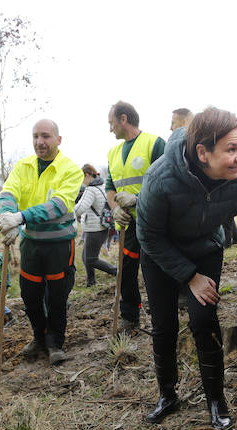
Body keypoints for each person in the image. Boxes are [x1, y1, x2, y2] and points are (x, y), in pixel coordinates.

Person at [137, 107, 237, 430]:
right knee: (164, 325)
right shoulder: (161, 178)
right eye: (232, 149)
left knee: (203, 320)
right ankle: (167, 395)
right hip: (160, 254)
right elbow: (148, 236)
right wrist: (189, 277)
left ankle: (215, 400)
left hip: (205, 249)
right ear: (202, 153)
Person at [0, 119, 83, 366]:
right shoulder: (23, 166)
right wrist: (6, 216)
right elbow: (8, 193)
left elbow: (58, 204)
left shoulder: (70, 169)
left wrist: (20, 217)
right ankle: (38, 336)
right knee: (30, 295)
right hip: (31, 245)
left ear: (58, 139)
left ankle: (55, 342)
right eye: (35, 136)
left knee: (57, 297)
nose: (39, 142)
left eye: (45, 136)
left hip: (59, 245)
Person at [106, 101, 166, 332]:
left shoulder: (155, 143)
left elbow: (167, 179)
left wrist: (140, 199)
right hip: (128, 225)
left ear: (123, 119)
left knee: (160, 268)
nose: (110, 129)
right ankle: (130, 316)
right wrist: (115, 209)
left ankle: (169, 309)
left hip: (157, 222)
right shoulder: (113, 153)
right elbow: (110, 186)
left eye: (111, 123)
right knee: (126, 270)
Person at [75, 163, 117, 286]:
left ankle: (118, 272)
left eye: (81, 178)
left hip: (95, 229)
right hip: (100, 227)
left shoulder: (91, 190)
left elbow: (80, 209)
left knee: (91, 259)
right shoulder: (102, 186)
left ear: (87, 175)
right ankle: (91, 281)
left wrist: (68, 209)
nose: (81, 182)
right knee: (85, 257)